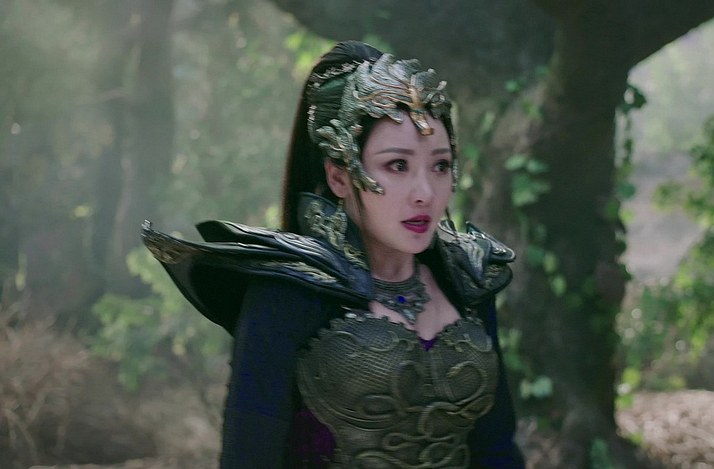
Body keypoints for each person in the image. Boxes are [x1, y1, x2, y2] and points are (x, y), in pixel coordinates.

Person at [142, 41, 524, 468]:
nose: (424, 193)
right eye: (397, 165)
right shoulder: (287, 292)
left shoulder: (469, 280)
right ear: (339, 177)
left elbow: (497, 449)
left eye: (439, 165)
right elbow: (248, 457)